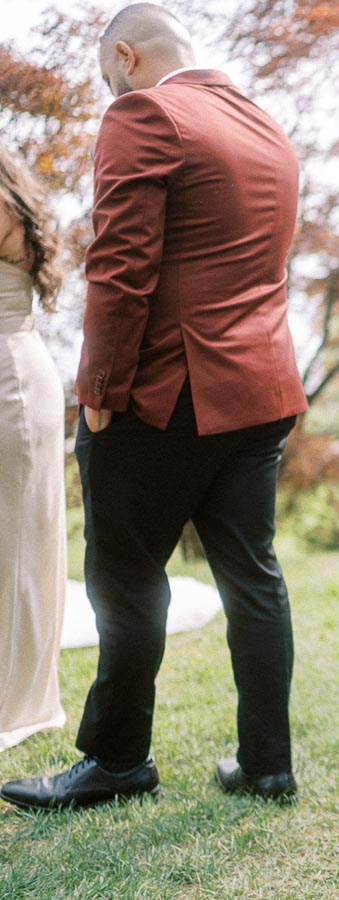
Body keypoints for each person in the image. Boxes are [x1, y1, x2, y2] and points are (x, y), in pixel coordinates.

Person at [1, 3, 308, 810]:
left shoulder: (145, 112)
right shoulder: (265, 125)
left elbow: (121, 267)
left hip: (164, 395)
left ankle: (116, 761)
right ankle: (267, 764)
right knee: (254, 575)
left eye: (107, 77)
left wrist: (97, 391)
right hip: (262, 389)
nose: (110, 92)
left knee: (127, 580)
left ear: (127, 57)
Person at [0, 145, 67, 752]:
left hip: (8, 382)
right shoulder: (15, 199)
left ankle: (14, 700)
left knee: (18, 545)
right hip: (22, 370)